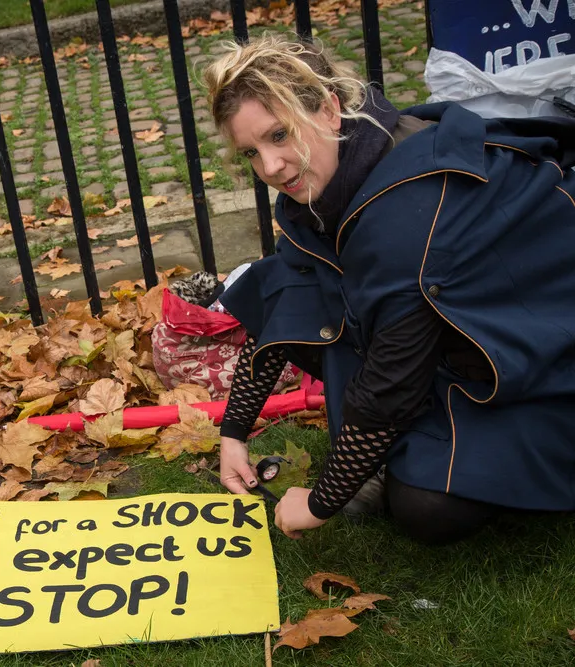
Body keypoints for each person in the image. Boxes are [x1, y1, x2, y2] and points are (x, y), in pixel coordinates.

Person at [203, 35, 575, 545]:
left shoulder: (410, 209)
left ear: (331, 109)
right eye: (252, 152)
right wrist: (233, 434)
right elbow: (288, 305)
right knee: (311, 290)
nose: (270, 168)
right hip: (463, 340)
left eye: (280, 135)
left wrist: (319, 502)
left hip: (543, 355)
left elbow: (390, 385)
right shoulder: (339, 168)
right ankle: (391, 453)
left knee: (426, 505)